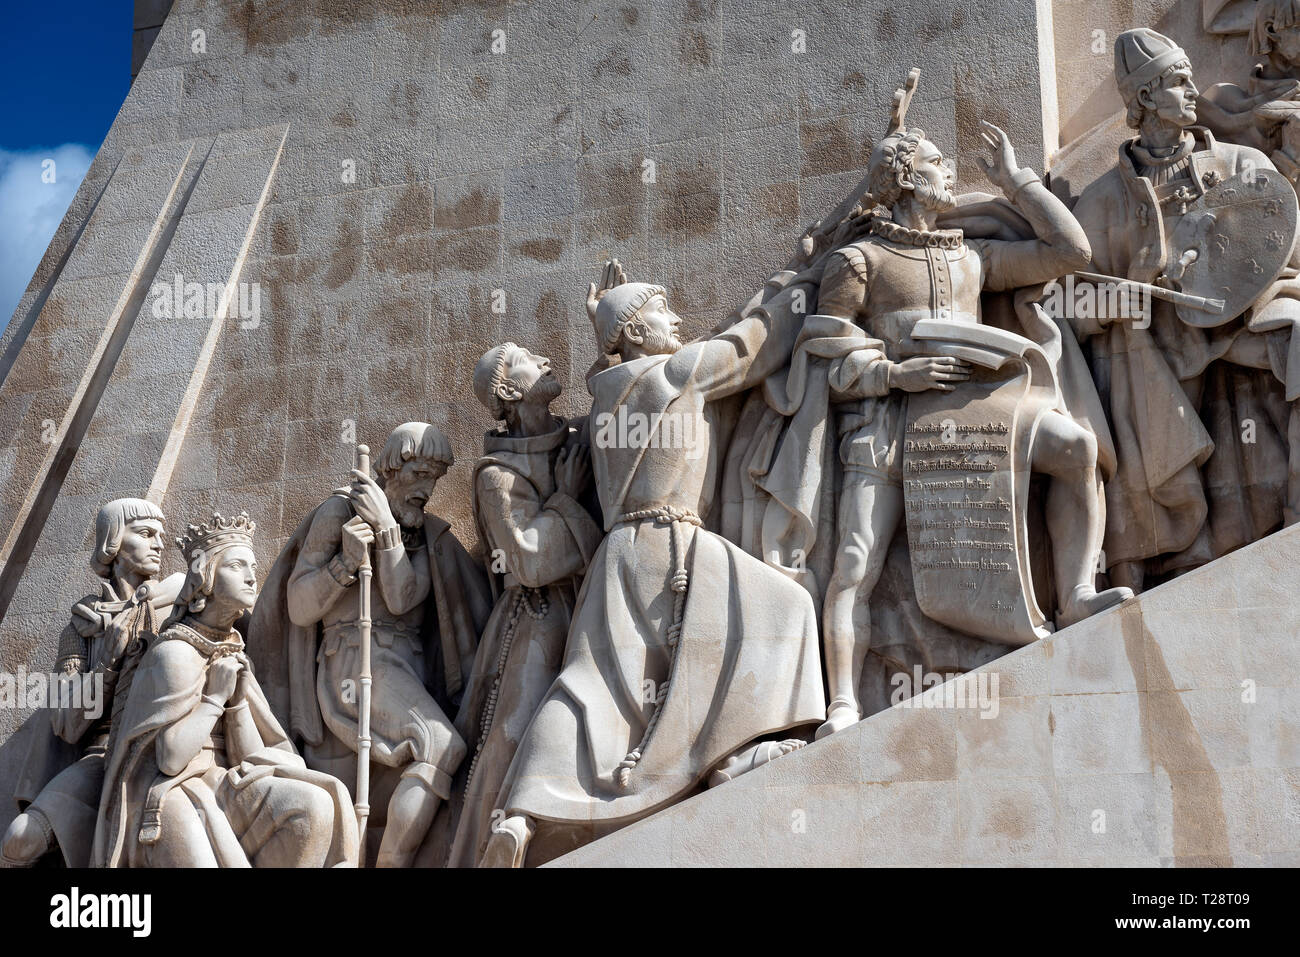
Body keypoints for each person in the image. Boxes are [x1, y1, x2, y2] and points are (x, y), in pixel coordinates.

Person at [250, 423, 491, 867]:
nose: (427, 488)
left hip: (403, 667)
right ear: (391, 469)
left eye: (435, 478)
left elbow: (402, 597)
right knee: (441, 744)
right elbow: (300, 607)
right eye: (419, 474)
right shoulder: (338, 512)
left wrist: (387, 532)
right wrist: (344, 562)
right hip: (355, 660)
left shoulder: (414, 532)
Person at [93, 512, 357, 867]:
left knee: (315, 806)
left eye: (252, 566)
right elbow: (170, 759)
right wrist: (215, 699)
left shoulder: (232, 650)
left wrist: (237, 704)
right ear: (207, 579)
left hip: (222, 781)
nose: (251, 576)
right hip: (170, 792)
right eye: (236, 566)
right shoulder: (174, 653)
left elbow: (249, 756)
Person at [4, 498, 182, 868]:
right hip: (102, 754)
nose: (160, 543)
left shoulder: (176, 605)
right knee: (19, 840)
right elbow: (66, 722)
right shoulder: (79, 629)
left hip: (167, 747)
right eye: (146, 533)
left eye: (161, 535)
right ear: (113, 543)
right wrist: (107, 662)